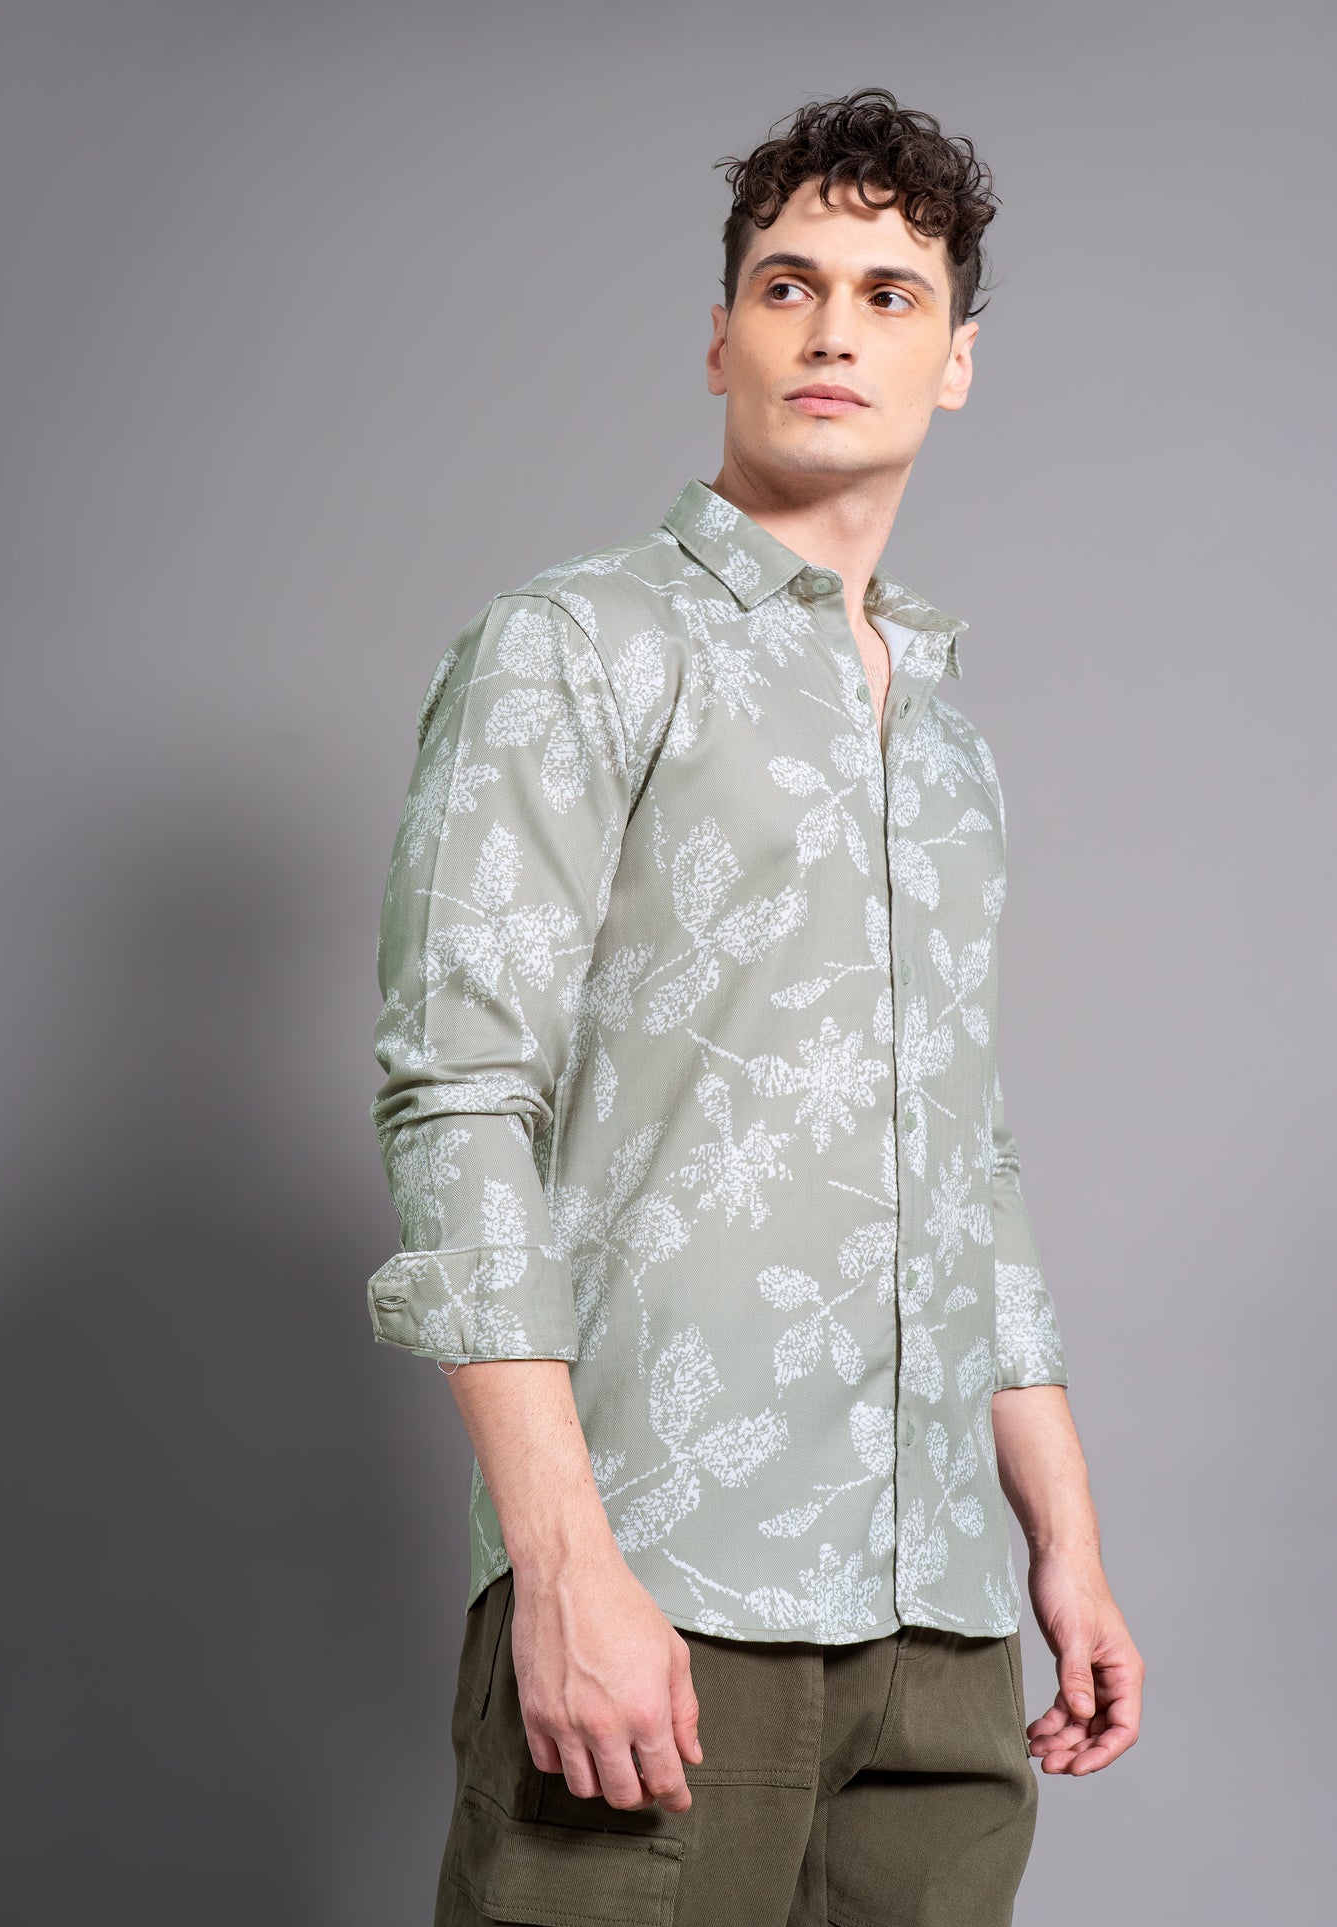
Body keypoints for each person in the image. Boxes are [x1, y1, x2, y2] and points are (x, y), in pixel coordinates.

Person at [365, 85, 1143, 1927]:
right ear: (720, 337)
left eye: (888, 295)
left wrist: (1063, 1542)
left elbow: (964, 1155)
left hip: (941, 1626)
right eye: (788, 286)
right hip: (663, 1585)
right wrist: (561, 1564)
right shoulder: (578, 646)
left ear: (956, 359)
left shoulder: (946, 745)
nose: (831, 331)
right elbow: (458, 1097)